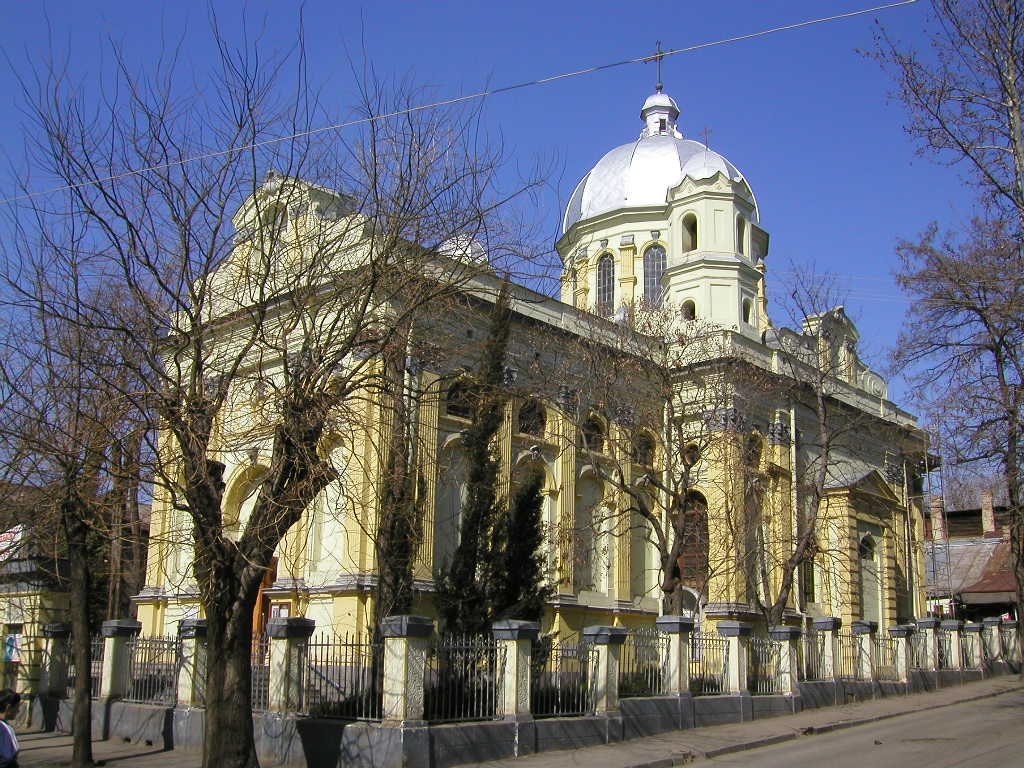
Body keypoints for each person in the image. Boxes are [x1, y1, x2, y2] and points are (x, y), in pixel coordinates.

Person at [0, 688, 20, 767]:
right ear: (8, 708)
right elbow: (7, 757)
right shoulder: (4, 729)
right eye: (17, 707)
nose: (18, 710)